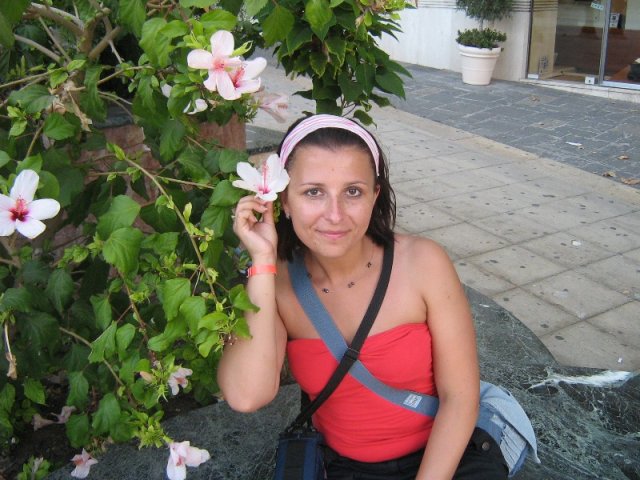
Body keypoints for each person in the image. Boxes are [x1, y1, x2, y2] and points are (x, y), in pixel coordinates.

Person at [218, 114, 508, 479]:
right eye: (313, 192)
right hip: (345, 467)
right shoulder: (277, 284)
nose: (335, 215)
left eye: (353, 192)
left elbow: (460, 397)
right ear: (284, 202)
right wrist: (262, 263)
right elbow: (246, 395)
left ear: (375, 196)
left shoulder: (423, 262)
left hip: (448, 459)